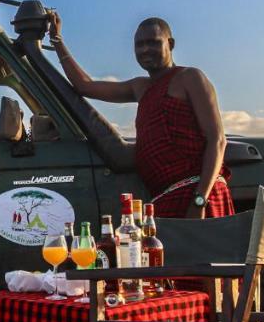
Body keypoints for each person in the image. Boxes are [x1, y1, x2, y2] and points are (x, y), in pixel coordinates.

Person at [48, 14, 233, 219]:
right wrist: (57, 40)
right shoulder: (140, 87)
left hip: (198, 193)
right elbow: (85, 86)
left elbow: (217, 140)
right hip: (165, 199)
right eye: (139, 45)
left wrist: (200, 199)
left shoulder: (189, 78)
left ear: (170, 43)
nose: (145, 50)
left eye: (153, 42)